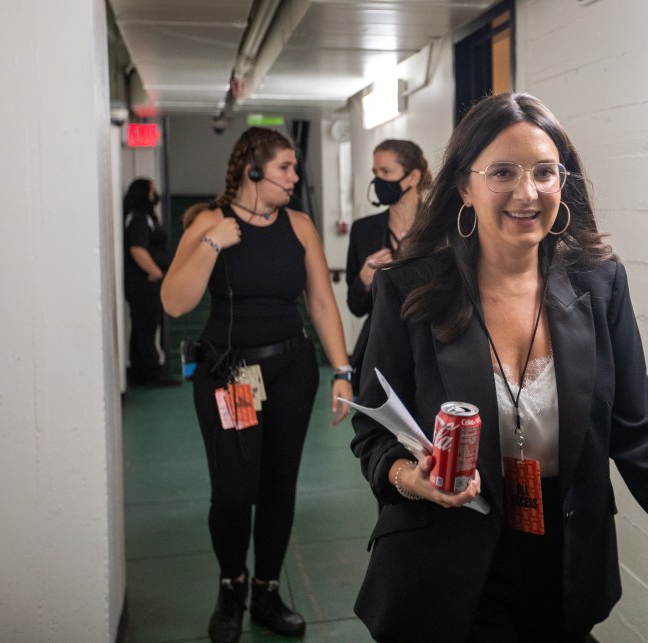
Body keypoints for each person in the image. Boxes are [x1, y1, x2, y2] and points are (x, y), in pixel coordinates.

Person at [350, 93, 648, 642]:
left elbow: (637, 420)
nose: (526, 192)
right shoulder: (409, 290)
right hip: (446, 563)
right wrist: (413, 478)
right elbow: (373, 433)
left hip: (565, 555)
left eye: (544, 172)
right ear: (464, 186)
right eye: (502, 172)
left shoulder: (598, 285)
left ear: (562, 182)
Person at [161, 127, 353, 643]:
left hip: (291, 372)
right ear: (252, 169)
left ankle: (266, 588)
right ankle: (232, 585)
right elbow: (175, 302)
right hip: (230, 375)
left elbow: (319, 302)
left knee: (277, 487)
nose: (295, 177)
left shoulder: (299, 226)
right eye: (286, 167)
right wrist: (209, 242)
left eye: (294, 167)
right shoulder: (209, 222)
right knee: (232, 490)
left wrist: (341, 369)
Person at [345, 139, 432, 395]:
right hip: (379, 349)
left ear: (413, 177)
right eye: (375, 173)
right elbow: (355, 306)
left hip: (431, 346)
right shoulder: (364, 231)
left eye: (386, 172)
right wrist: (364, 279)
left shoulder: (441, 227)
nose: (379, 180)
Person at [123, 177, 178, 386]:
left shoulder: (144, 217)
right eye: (152, 190)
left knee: (142, 327)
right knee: (147, 327)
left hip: (145, 283)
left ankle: (140, 371)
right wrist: (156, 272)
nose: (155, 195)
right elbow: (138, 249)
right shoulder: (138, 218)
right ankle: (151, 372)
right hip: (143, 283)